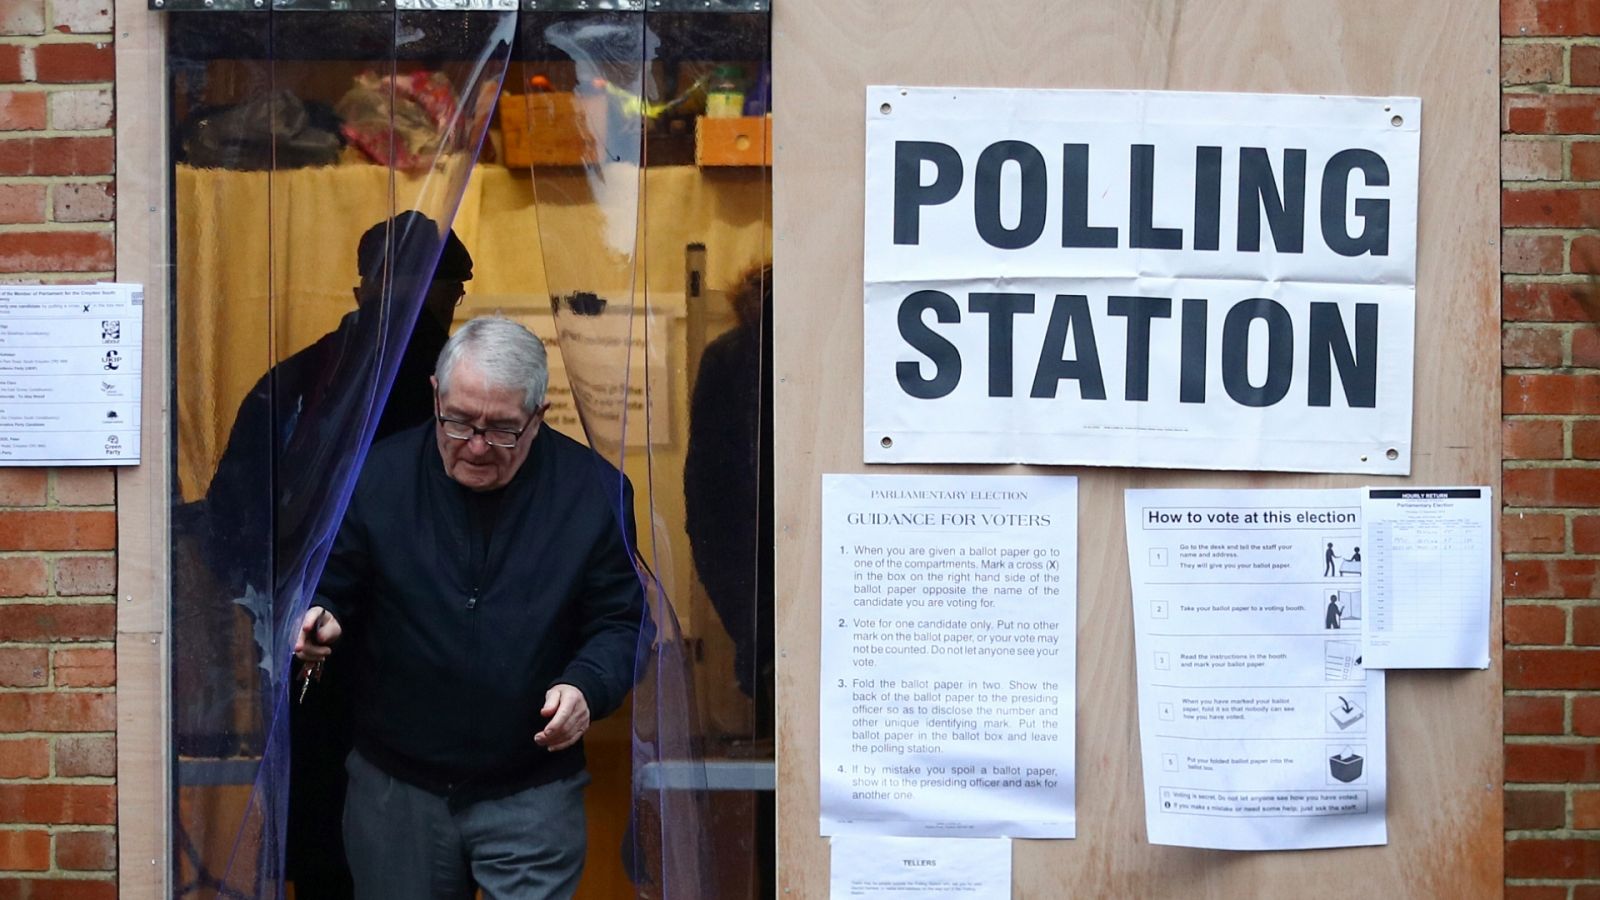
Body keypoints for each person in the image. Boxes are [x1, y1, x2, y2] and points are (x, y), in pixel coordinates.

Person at [293, 315, 644, 900]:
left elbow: (621, 621)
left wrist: (587, 687)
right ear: (435, 393)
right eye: (459, 422)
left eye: (503, 430)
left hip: (531, 790)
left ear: (539, 415)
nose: (477, 446)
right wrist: (320, 615)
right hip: (395, 791)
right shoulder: (374, 477)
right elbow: (333, 582)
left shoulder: (594, 493)